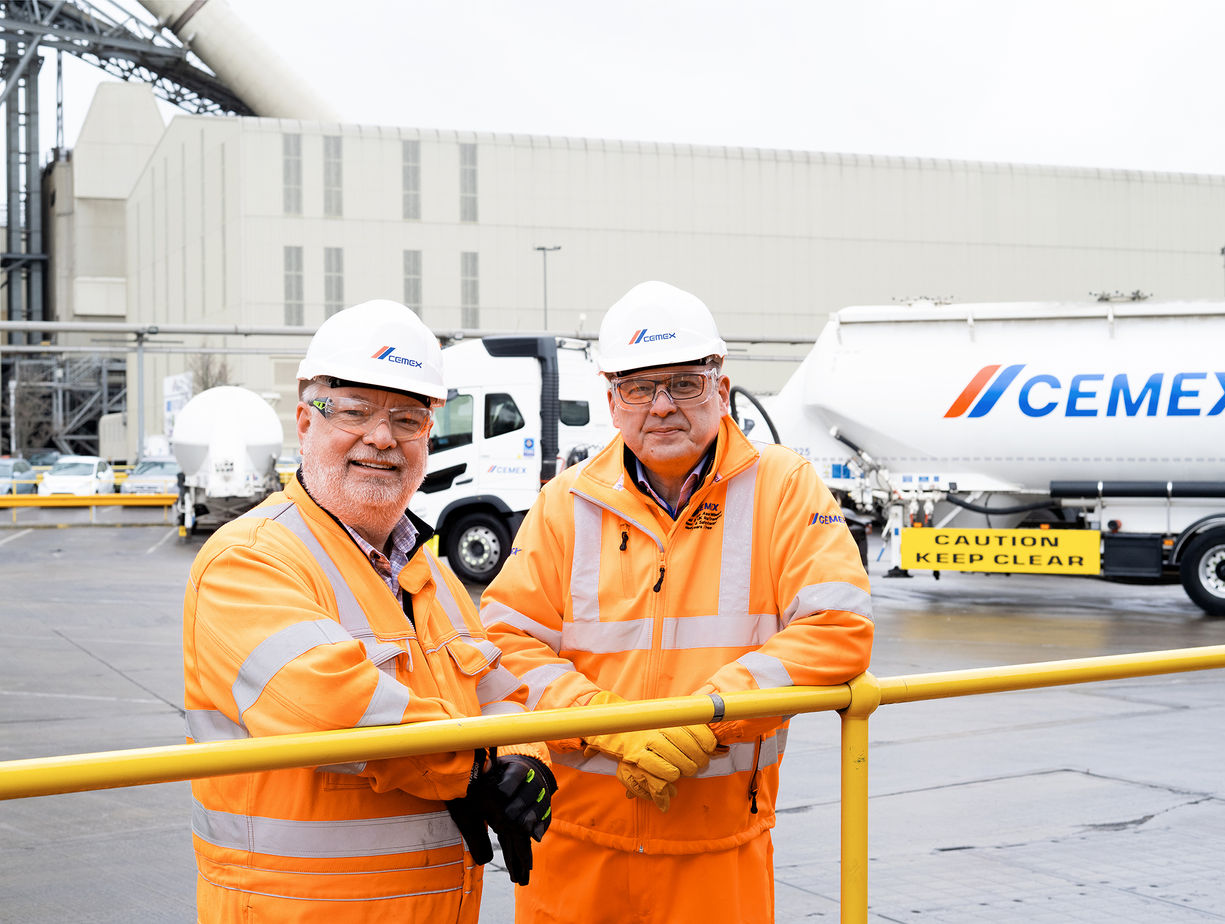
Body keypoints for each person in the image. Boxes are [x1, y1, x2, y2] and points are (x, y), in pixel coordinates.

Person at [479, 281, 875, 923]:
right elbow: (506, 642)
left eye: (684, 384)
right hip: (578, 851)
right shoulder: (567, 503)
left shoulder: (782, 488)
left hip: (718, 855)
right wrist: (606, 721)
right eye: (639, 387)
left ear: (721, 390)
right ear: (612, 400)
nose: (661, 406)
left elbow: (837, 627)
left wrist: (708, 715)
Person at [182, 299, 556, 922]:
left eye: (407, 419)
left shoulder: (428, 569)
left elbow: (499, 691)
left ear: (428, 438)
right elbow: (329, 707)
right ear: (305, 419)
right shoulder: (248, 561)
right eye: (355, 411)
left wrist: (527, 758)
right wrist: (476, 766)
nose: (382, 438)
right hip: (300, 910)